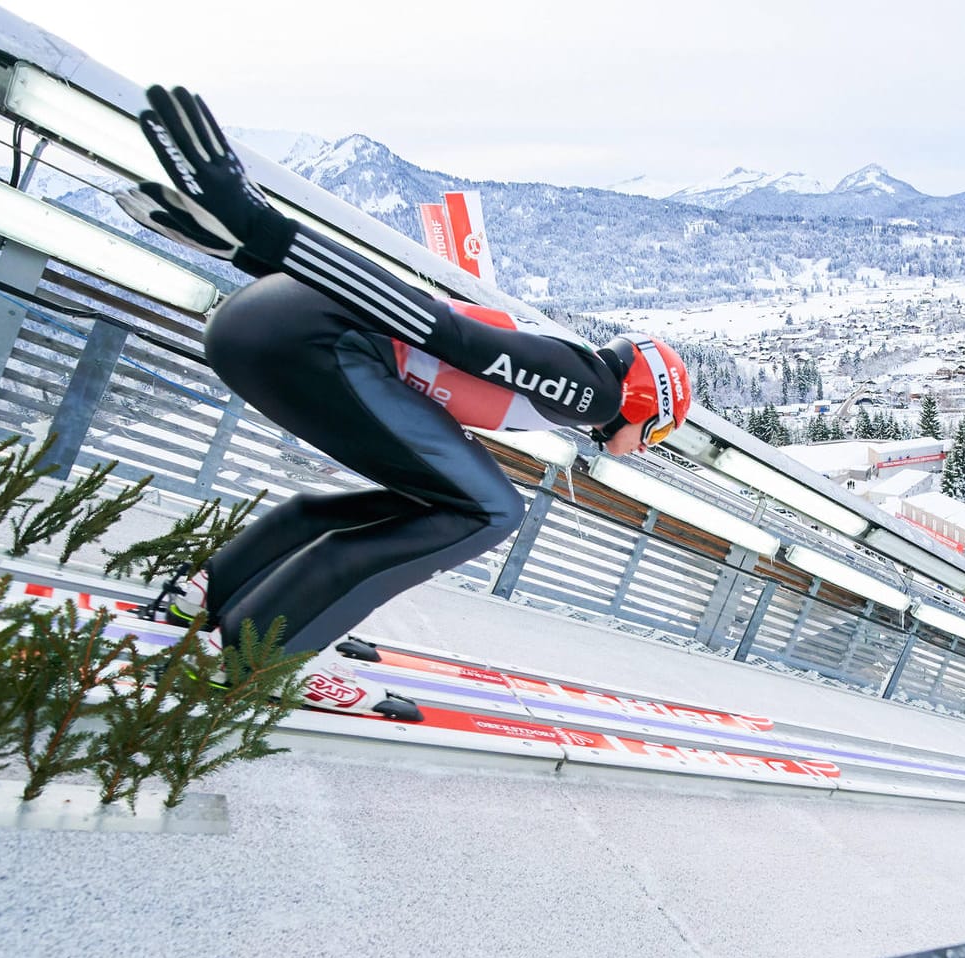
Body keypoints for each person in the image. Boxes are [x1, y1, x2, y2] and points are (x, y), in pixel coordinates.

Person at [119, 87, 692, 721]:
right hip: (319, 344)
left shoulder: (568, 373)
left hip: (268, 327)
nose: (643, 448)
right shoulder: (591, 388)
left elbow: (437, 346)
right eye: (655, 435)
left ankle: (212, 599)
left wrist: (249, 254)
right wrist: (263, 231)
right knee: (492, 509)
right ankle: (251, 658)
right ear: (645, 402)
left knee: (430, 502)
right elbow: (435, 326)